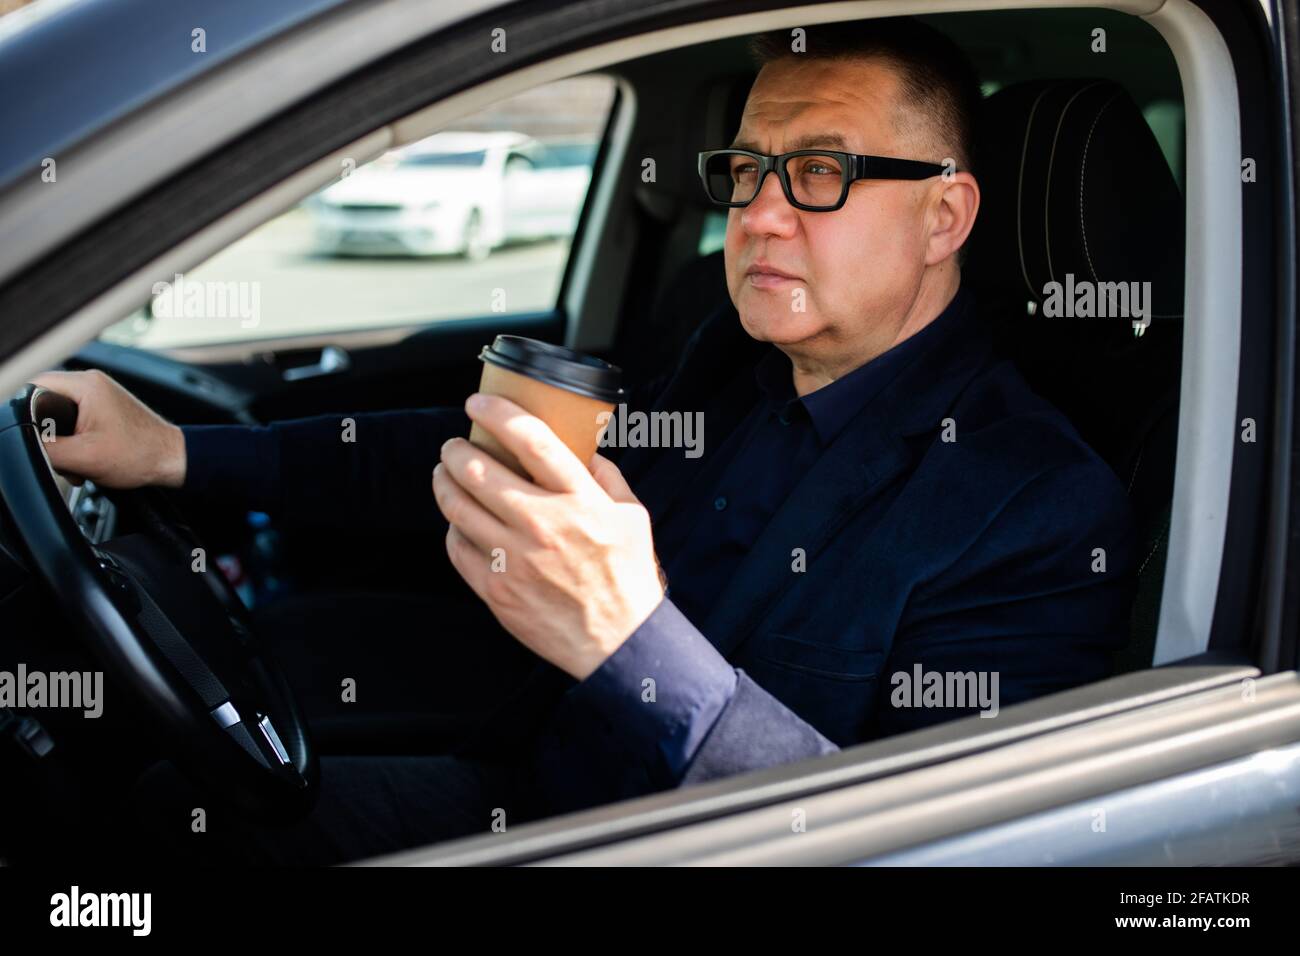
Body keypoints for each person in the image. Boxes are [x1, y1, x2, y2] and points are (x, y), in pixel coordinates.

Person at [34, 17, 1136, 864]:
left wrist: (632, 638)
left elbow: (927, 842)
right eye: (746, 170)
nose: (756, 214)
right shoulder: (730, 364)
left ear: (944, 217)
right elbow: (491, 454)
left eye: (819, 171)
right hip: (535, 772)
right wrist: (175, 451)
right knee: (174, 806)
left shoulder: (1035, 507)